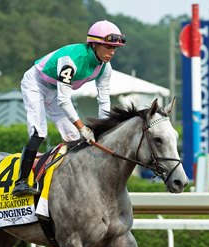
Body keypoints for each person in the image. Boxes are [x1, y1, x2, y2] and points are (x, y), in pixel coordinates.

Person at [12, 20, 126, 197]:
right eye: (107, 47)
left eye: (114, 48)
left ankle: (68, 181)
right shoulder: (72, 60)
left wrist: (104, 128)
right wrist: (83, 126)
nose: (111, 52)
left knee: (73, 137)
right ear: (94, 44)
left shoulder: (105, 69)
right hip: (36, 84)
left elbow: (104, 101)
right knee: (39, 132)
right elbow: (64, 99)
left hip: (55, 91)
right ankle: (21, 182)